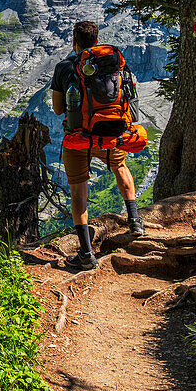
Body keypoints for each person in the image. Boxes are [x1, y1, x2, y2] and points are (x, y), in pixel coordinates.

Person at [50, 21, 145, 270]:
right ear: (96, 40)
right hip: (111, 133)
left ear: (74, 41)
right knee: (120, 167)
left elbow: (58, 109)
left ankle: (86, 253)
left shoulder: (64, 67)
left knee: (79, 190)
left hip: (79, 137)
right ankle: (135, 221)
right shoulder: (113, 64)